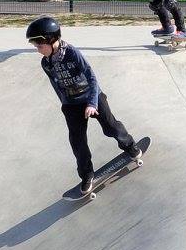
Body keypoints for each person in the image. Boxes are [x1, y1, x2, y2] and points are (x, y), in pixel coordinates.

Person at [27, 15, 140, 195]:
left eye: (40, 46)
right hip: (71, 105)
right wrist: (65, 106)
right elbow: (57, 86)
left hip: (91, 97)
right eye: (36, 47)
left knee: (110, 127)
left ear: (52, 40)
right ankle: (87, 175)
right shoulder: (45, 63)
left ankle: (129, 145)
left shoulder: (72, 53)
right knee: (77, 141)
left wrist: (92, 103)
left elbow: (92, 78)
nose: (38, 50)